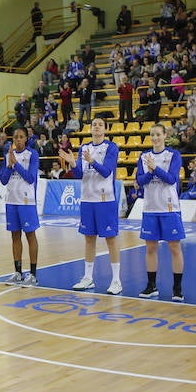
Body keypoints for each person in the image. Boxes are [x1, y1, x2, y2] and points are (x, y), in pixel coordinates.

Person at [58, 117, 122, 294]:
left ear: (105, 129)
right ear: (91, 128)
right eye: (94, 125)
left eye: (100, 125)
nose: (97, 127)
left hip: (105, 199)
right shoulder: (84, 147)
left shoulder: (111, 147)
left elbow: (106, 172)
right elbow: (80, 174)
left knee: (110, 238)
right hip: (87, 199)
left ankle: (116, 280)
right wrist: (72, 164)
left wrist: (92, 162)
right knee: (89, 238)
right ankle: (88, 278)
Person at [135, 124, 185, 301]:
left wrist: (155, 169)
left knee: (174, 247)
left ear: (165, 135)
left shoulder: (173, 155)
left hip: (169, 208)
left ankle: (177, 288)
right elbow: (140, 181)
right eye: (152, 135)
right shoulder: (143, 156)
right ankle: (151, 285)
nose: (155, 138)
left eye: (158, 134)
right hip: (150, 208)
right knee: (150, 248)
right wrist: (149, 173)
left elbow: (171, 179)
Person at [0, 127, 40, 287]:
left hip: (26, 201)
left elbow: (30, 178)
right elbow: (3, 180)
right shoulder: (7, 155)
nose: (17, 140)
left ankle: (33, 274)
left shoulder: (32, 154)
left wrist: (15, 164)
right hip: (11, 200)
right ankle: (18, 272)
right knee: (14, 236)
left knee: (30, 235)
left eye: (21, 137)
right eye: (15, 137)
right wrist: (9, 166)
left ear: (26, 139)